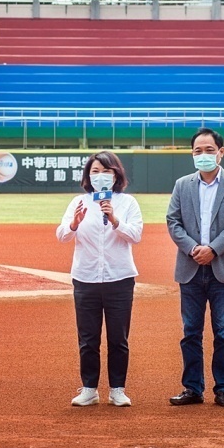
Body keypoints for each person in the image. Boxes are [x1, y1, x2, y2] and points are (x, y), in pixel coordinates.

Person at [166, 128, 224, 408]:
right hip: (189, 268)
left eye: (209, 150)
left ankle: (223, 388)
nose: (203, 155)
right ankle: (192, 388)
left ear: (221, 152)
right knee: (191, 331)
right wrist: (193, 249)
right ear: (192, 154)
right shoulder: (182, 185)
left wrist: (213, 249)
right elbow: (173, 222)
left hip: (223, 268)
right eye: (198, 151)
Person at [56, 151, 143, 407]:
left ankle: (117, 389)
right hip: (86, 278)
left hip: (119, 278)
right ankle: (89, 388)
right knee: (88, 338)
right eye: (95, 171)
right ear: (88, 176)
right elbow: (62, 235)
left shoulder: (127, 203)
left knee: (118, 338)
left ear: (116, 174)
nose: (100, 176)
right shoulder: (78, 202)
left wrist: (115, 219)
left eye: (106, 171)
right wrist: (74, 224)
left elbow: (135, 235)